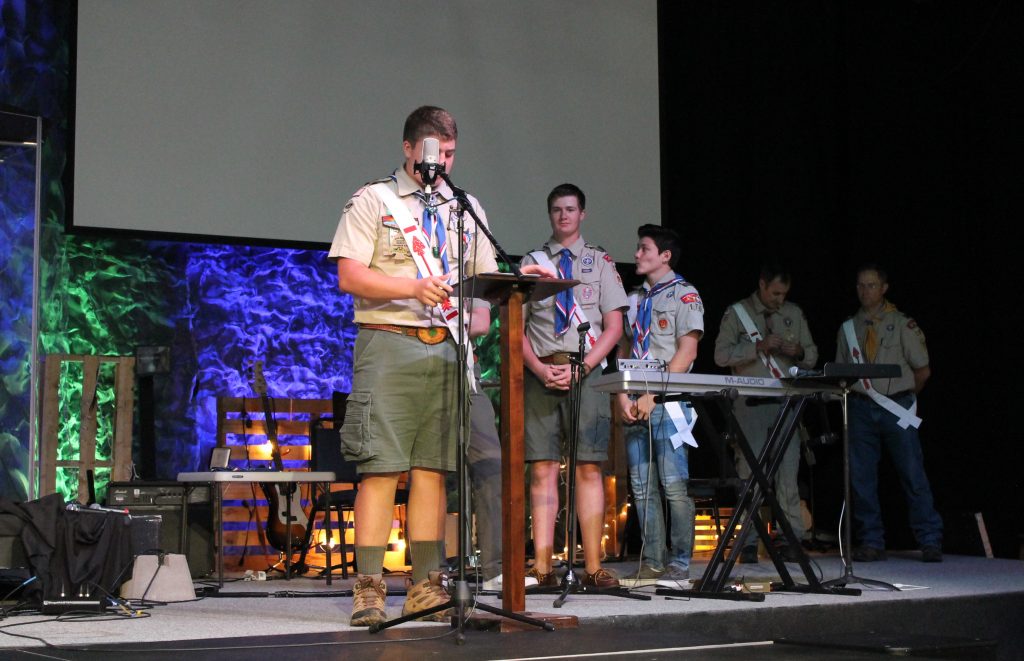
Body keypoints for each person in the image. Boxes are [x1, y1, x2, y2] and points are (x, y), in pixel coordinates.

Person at [327, 105, 549, 626]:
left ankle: (426, 587)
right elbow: (350, 276)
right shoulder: (373, 199)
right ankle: (370, 588)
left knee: (433, 470)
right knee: (381, 468)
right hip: (389, 344)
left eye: (449, 153)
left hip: (447, 348)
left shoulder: (464, 207)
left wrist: (521, 277)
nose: (440, 162)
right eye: (432, 151)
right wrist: (410, 286)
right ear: (409, 149)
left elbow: (485, 277)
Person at [520, 183, 629, 589]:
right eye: (556, 210)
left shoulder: (599, 261)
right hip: (542, 372)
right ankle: (543, 565)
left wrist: (583, 367)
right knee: (543, 469)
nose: (563, 216)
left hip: (587, 373)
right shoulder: (533, 262)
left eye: (570, 209)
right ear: (549, 215)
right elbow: (518, 326)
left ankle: (594, 565)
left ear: (582, 213)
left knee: (588, 468)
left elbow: (613, 327)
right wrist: (536, 367)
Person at [835, 264, 942, 563]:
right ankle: (871, 541)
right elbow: (841, 372)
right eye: (860, 285)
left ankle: (929, 539)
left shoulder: (902, 324)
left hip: (896, 405)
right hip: (859, 407)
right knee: (861, 477)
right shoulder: (847, 328)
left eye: (870, 285)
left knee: (912, 473)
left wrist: (904, 400)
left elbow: (923, 370)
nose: (864, 291)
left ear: (884, 288)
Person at [616, 224, 703, 587]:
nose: (636, 254)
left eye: (644, 248)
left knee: (673, 485)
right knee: (641, 485)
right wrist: (622, 393)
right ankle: (652, 560)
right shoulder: (636, 298)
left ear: (665, 256)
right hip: (635, 398)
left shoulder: (685, 294)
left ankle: (680, 562)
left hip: (669, 403)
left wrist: (655, 396)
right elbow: (624, 346)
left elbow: (687, 351)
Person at [713, 264, 818, 563]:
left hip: (786, 401)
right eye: (775, 293)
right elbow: (721, 355)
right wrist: (757, 346)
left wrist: (796, 351)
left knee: (788, 472)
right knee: (750, 472)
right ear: (762, 285)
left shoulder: (793, 314)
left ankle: (791, 537)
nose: (779, 300)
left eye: (784, 294)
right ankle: (748, 538)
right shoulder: (738, 313)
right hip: (750, 402)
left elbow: (811, 355)